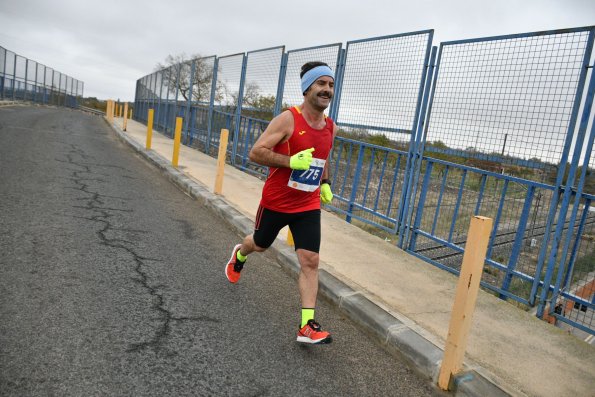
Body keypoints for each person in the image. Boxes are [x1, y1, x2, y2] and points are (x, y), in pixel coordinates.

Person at [225, 61, 337, 345]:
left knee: (310, 261)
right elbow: (255, 152)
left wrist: (324, 183)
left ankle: (306, 326)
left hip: (307, 205)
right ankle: (240, 254)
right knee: (260, 244)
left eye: (331, 85)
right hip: (276, 201)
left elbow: (323, 158)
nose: (327, 90)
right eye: (321, 84)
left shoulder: (331, 127)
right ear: (307, 88)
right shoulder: (288, 119)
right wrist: (290, 162)